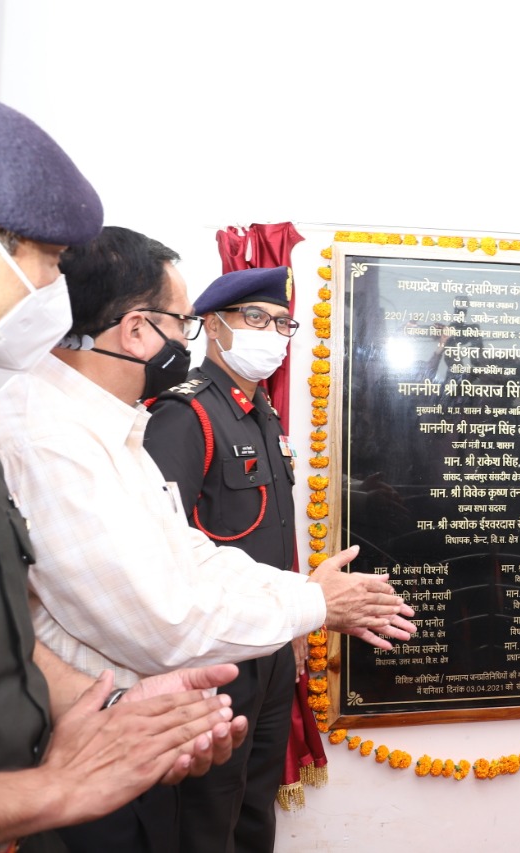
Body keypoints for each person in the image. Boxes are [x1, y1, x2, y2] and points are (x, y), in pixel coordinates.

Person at [0, 225, 416, 853]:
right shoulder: (52, 440)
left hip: (146, 717)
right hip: (92, 742)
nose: (184, 341)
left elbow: (186, 551)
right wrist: (315, 603)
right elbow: (163, 619)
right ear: (137, 330)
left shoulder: (108, 425)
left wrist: (305, 595)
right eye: (183, 324)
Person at [0, 84, 250, 853]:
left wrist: (115, 711)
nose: (54, 294)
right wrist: (48, 791)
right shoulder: (27, 425)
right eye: (47, 261)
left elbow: (0, 633)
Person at [143, 266, 304, 853]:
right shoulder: (185, 415)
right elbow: (160, 547)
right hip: (216, 651)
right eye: (256, 318)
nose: (273, 333)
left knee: (256, 803)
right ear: (213, 326)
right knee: (208, 810)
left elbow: (271, 536)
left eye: (283, 323)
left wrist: (294, 626)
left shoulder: (264, 414)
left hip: (271, 643)